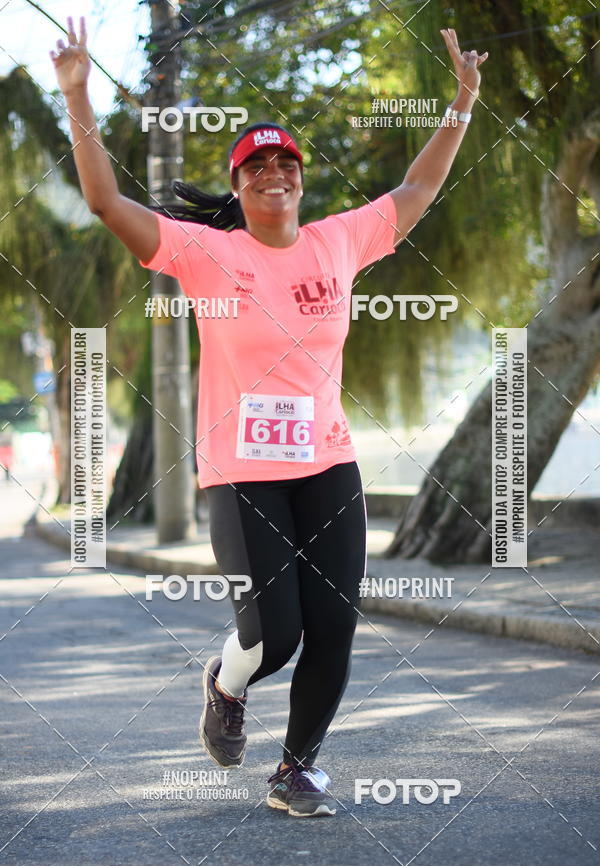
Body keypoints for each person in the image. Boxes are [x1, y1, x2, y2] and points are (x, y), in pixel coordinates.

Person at [51, 16, 487, 817]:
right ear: (240, 184)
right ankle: (223, 683)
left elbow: (419, 189)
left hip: (328, 463)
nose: (274, 175)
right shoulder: (202, 252)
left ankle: (297, 767)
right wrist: (78, 94)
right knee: (271, 636)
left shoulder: (338, 242)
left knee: (335, 624)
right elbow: (105, 199)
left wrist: (462, 100)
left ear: (299, 178)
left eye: (285, 163)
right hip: (244, 471)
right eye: (257, 167)